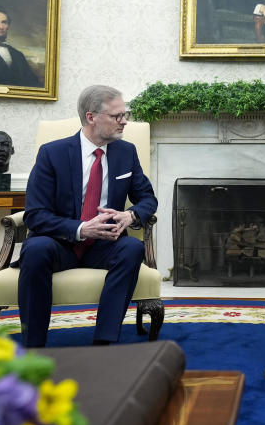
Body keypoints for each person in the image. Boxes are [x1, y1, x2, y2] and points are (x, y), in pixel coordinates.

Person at [16, 85, 158, 347]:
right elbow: (35, 215)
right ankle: (34, 346)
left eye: (125, 114)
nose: (124, 121)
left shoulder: (126, 152)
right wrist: (81, 228)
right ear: (91, 117)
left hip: (104, 244)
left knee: (131, 248)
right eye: (117, 116)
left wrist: (131, 215)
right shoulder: (52, 153)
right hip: (58, 242)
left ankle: (104, 343)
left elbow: (148, 199)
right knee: (35, 248)